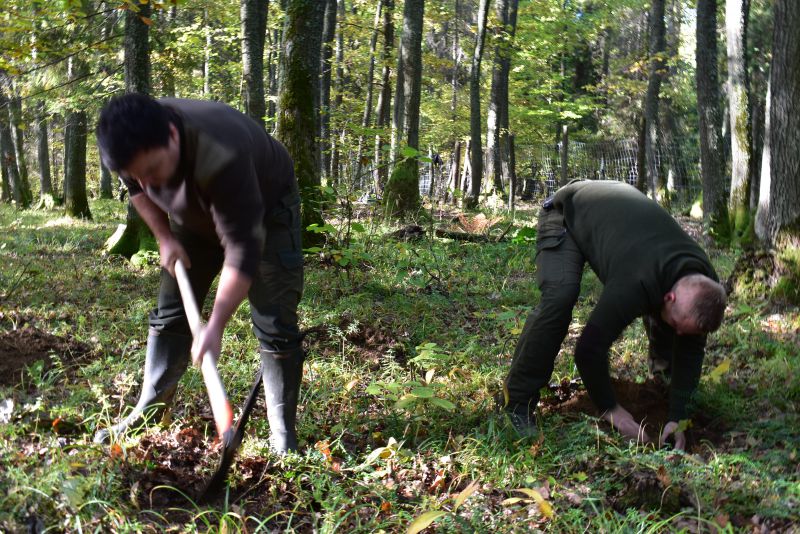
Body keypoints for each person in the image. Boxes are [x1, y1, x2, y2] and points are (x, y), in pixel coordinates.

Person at [93, 94, 304, 454]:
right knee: (171, 310)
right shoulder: (126, 143)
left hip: (266, 211)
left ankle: (283, 439)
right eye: (139, 173)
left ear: (173, 136)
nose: (148, 182)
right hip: (193, 216)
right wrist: (164, 237)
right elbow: (136, 189)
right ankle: (149, 411)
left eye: (154, 170)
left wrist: (215, 326)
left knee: (275, 318)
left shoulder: (221, 154)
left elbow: (242, 252)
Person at [501, 179, 726, 450]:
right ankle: (517, 401)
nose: (679, 333)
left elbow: (691, 351)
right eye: (678, 325)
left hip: (620, 222)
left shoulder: (704, 288)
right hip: (567, 212)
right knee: (560, 296)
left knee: (676, 324)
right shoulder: (636, 282)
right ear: (669, 296)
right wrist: (612, 410)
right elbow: (589, 350)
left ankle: (663, 389)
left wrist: (678, 416)